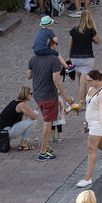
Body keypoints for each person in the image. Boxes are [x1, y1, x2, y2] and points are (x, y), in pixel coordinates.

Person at [28, 33, 73, 161]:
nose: (56, 45)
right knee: (48, 123)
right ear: (50, 45)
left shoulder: (33, 58)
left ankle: (46, 146)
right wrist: (65, 95)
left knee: (47, 120)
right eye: (55, 43)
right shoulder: (54, 59)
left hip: (37, 95)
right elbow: (56, 79)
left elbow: (29, 75)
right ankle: (43, 152)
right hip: (49, 95)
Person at [69, 12, 100, 104]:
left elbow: (70, 44)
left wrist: (69, 56)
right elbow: (97, 41)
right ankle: (80, 102)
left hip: (75, 58)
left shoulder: (73, 30)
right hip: (87, 58)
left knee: (80, 80)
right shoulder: (91, 31)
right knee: (83, 82)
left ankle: (85, 99)